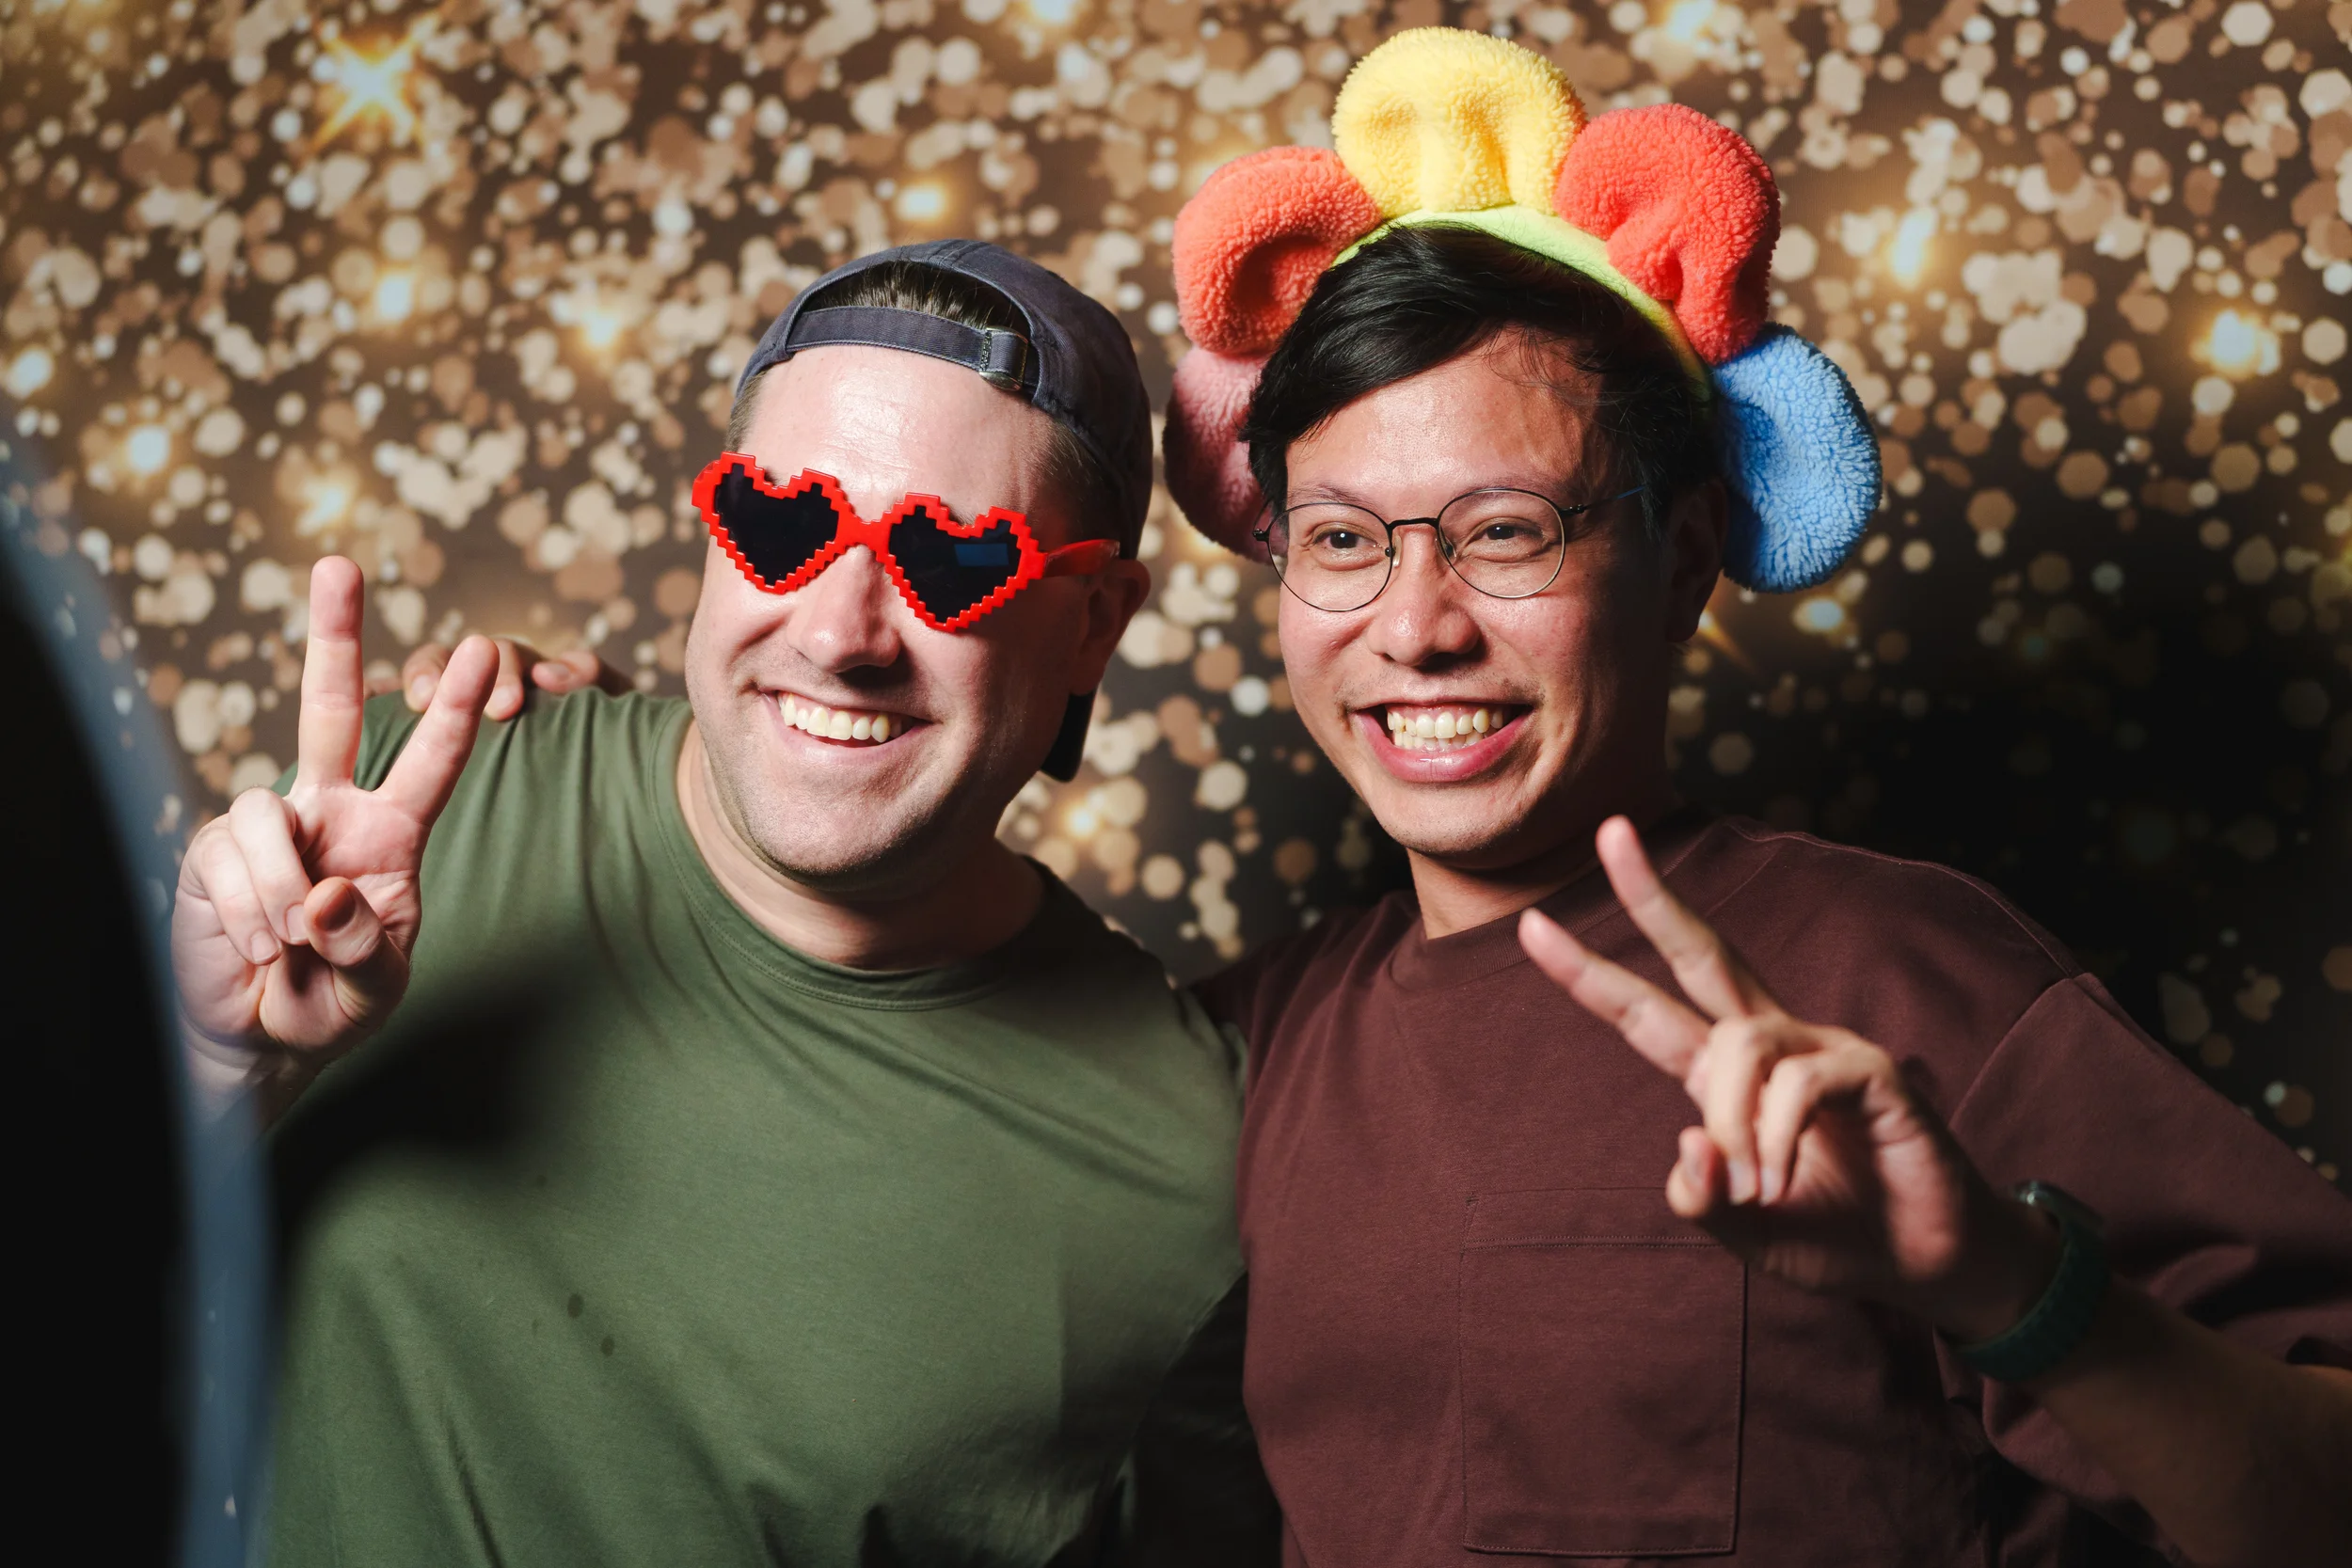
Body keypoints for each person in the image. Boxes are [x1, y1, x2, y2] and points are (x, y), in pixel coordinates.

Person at [1157, 29, 2352, 1568]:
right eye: (1340, 540)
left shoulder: (1908, 977)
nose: (1415, 625)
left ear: (1685, 567)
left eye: (1506, 530)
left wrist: (2012, 1285)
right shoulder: (1246, 1042)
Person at [172, 241, 1279, 1565]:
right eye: (783, 523)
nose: (838, 634)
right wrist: (210, 1068)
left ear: (1094, 621)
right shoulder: (393, 827)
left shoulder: (1189, 1169)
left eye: (950, 557)